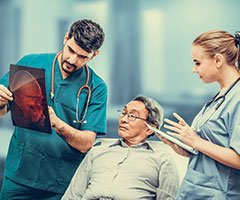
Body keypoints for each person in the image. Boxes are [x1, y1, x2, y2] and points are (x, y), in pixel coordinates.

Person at [0, 19, 107, 199]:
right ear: (66, 38)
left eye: (82, 57)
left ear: (94, 55)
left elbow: (86, 143)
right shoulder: (30, 63)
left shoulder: (96, 87)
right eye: (71, 50)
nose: (73, 60)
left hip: (60, 183)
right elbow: (2, 112)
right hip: (20, 175)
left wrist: (58, 124)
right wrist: (1, 102)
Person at [162, 30, 240, 199]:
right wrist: (186, 148)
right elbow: (212, 148)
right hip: (197, 190)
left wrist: (196, 141)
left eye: (197, 63)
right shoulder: (222, 95)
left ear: (218, 60)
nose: (194, 69)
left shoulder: (238, 97)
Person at [62, 95, 179, 200]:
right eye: (123, 113)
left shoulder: (162, 159)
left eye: (132, 116)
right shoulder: (98, 150)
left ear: (150, 128)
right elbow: (73, 195)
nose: (123, 120)